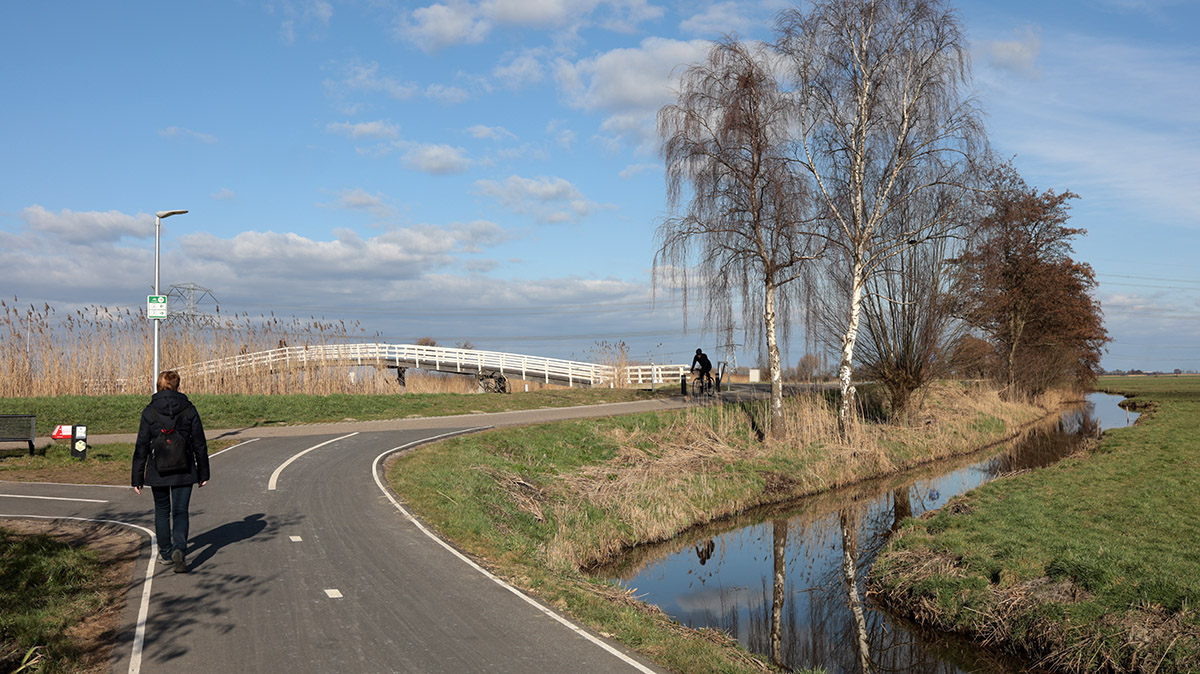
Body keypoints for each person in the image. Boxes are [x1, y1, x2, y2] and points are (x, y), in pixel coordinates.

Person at [132, 370, 210, 573]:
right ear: (178, 387)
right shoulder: (189, 409)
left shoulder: (149, 412)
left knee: (162, 511)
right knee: (181, 511)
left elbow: (141, 446)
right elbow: (199, 444)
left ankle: (166, 553)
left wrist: (137, 477)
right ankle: (180, 550)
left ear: (158, 386)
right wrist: (203, 474)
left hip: (158, 471)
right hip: (184, 470)